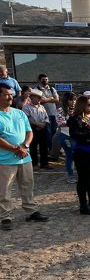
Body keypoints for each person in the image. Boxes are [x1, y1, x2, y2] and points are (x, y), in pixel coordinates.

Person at [0, 83, 47, 230]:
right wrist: (15, 148)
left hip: (24, 157)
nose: (11, 96)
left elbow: (29, 131)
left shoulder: (19, 113)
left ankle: (31, 211)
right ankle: (5, 217)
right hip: (5, 160)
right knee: (5, 189)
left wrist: (25, 146)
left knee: (28, 185)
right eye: (7, 94)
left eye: (11, 94)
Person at [23, 89, 51, 170]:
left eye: (40, 98)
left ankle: (44, 163)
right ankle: (34, 164)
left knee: (44, 146)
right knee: (33, 147)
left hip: (42, 128)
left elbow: (46, 117)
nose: (39, 99)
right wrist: (36, 124)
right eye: (37, 97)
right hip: (32, 129)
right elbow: (25, 120)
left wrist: (43, 124)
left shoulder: (42, 107)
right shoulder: (26, 107)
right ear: (32, 97)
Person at [55, 92, 77, 183]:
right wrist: (71, 120)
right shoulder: (60, 110)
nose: (73, 102)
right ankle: (71, 175)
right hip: (66, 135)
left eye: (75, 99)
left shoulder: (77, 110)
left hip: (76, 135)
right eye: (71, 100)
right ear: (66, 100)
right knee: (70, 155)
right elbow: (60, 123)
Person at [35, 74, 60, 151]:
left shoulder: (52, 89)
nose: (45, 81)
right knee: (48, 133)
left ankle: (54, 149)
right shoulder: (37, 89)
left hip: (54, 114)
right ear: (39, 80)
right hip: (44, 115)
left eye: (46, 79)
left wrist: (46, 99)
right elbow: (39, 101)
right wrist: (51, 98)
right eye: (43, 79)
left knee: (54, 132)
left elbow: (57, 100)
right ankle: (50, 149)